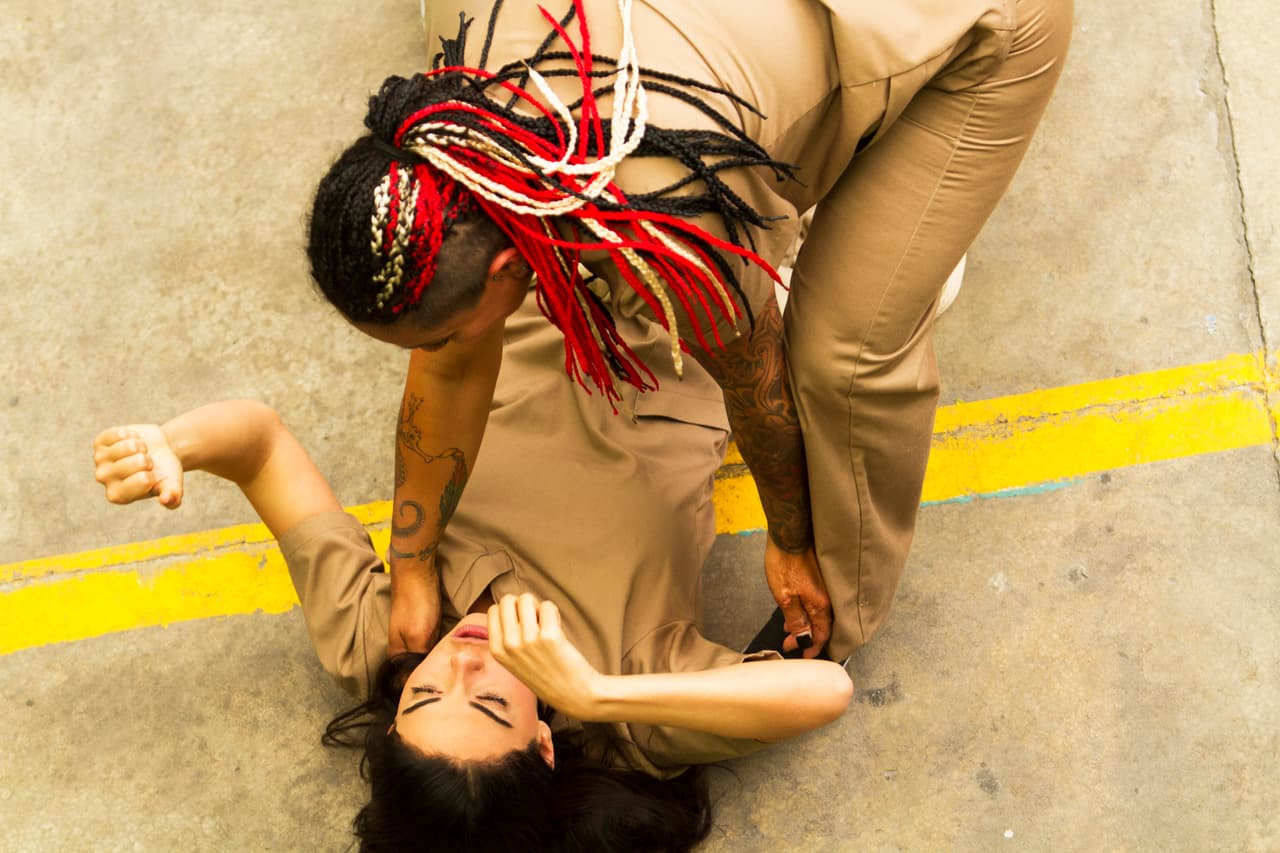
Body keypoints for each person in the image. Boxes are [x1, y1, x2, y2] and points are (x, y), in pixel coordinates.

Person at [305, 0, 1073, 668]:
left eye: (435, 338)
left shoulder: (659, 232)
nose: (434, 358)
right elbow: (455, 368)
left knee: (842, 357)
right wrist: (409, 566)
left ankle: (829, 612)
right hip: (717, 74)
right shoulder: (458, 87)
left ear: (508, 265)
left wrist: (794, 538)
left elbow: (755, 379)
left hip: (973, 25)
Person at [92, 288, 853, 851]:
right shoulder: (628, 712)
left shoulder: (381, 644)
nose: (462, 657)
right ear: (545, 748)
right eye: (489, 702)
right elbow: (824, 690)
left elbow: (259, 446)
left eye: (425, 693)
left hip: (514, 290)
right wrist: (593, 688)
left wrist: (174, 442)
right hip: (684, 315)